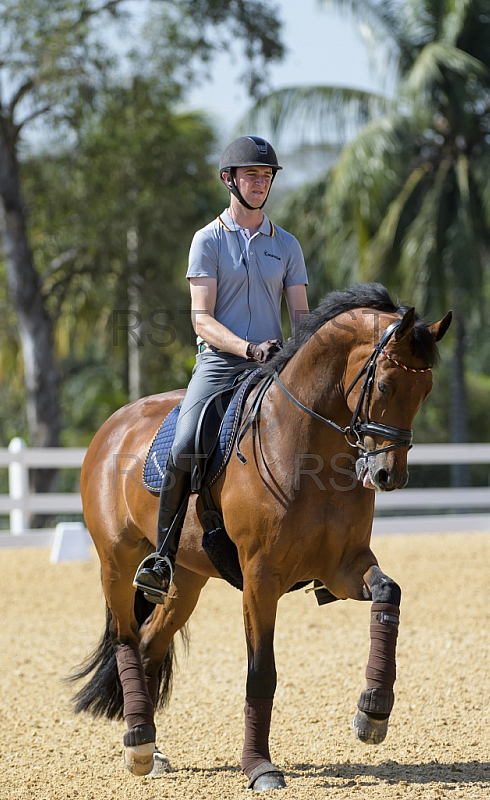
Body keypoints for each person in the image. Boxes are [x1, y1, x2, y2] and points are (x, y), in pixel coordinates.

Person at [133, 135, 309, 603]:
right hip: (220, 366)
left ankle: (326, 550)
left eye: (266, 176)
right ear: (229, 179)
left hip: (273, 366)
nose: (260, 183)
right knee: (187, 441)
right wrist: (248, 348)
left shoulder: (287, 245)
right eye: (252, 175)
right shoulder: (207, 240)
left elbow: (303, 319)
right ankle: (163, 556)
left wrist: (298, 356)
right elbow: (202, 318)